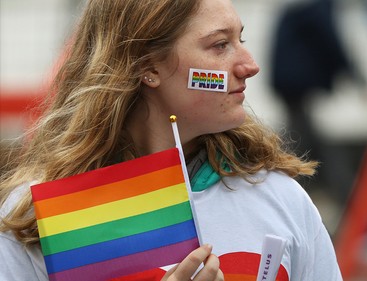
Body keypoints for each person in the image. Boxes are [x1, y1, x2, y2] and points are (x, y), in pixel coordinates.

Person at [0, 0, 343, 280]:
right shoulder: (37, 214)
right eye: (220, 45)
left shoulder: (279, 197)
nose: (250, 65)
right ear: (149, 66)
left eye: (242, 40)